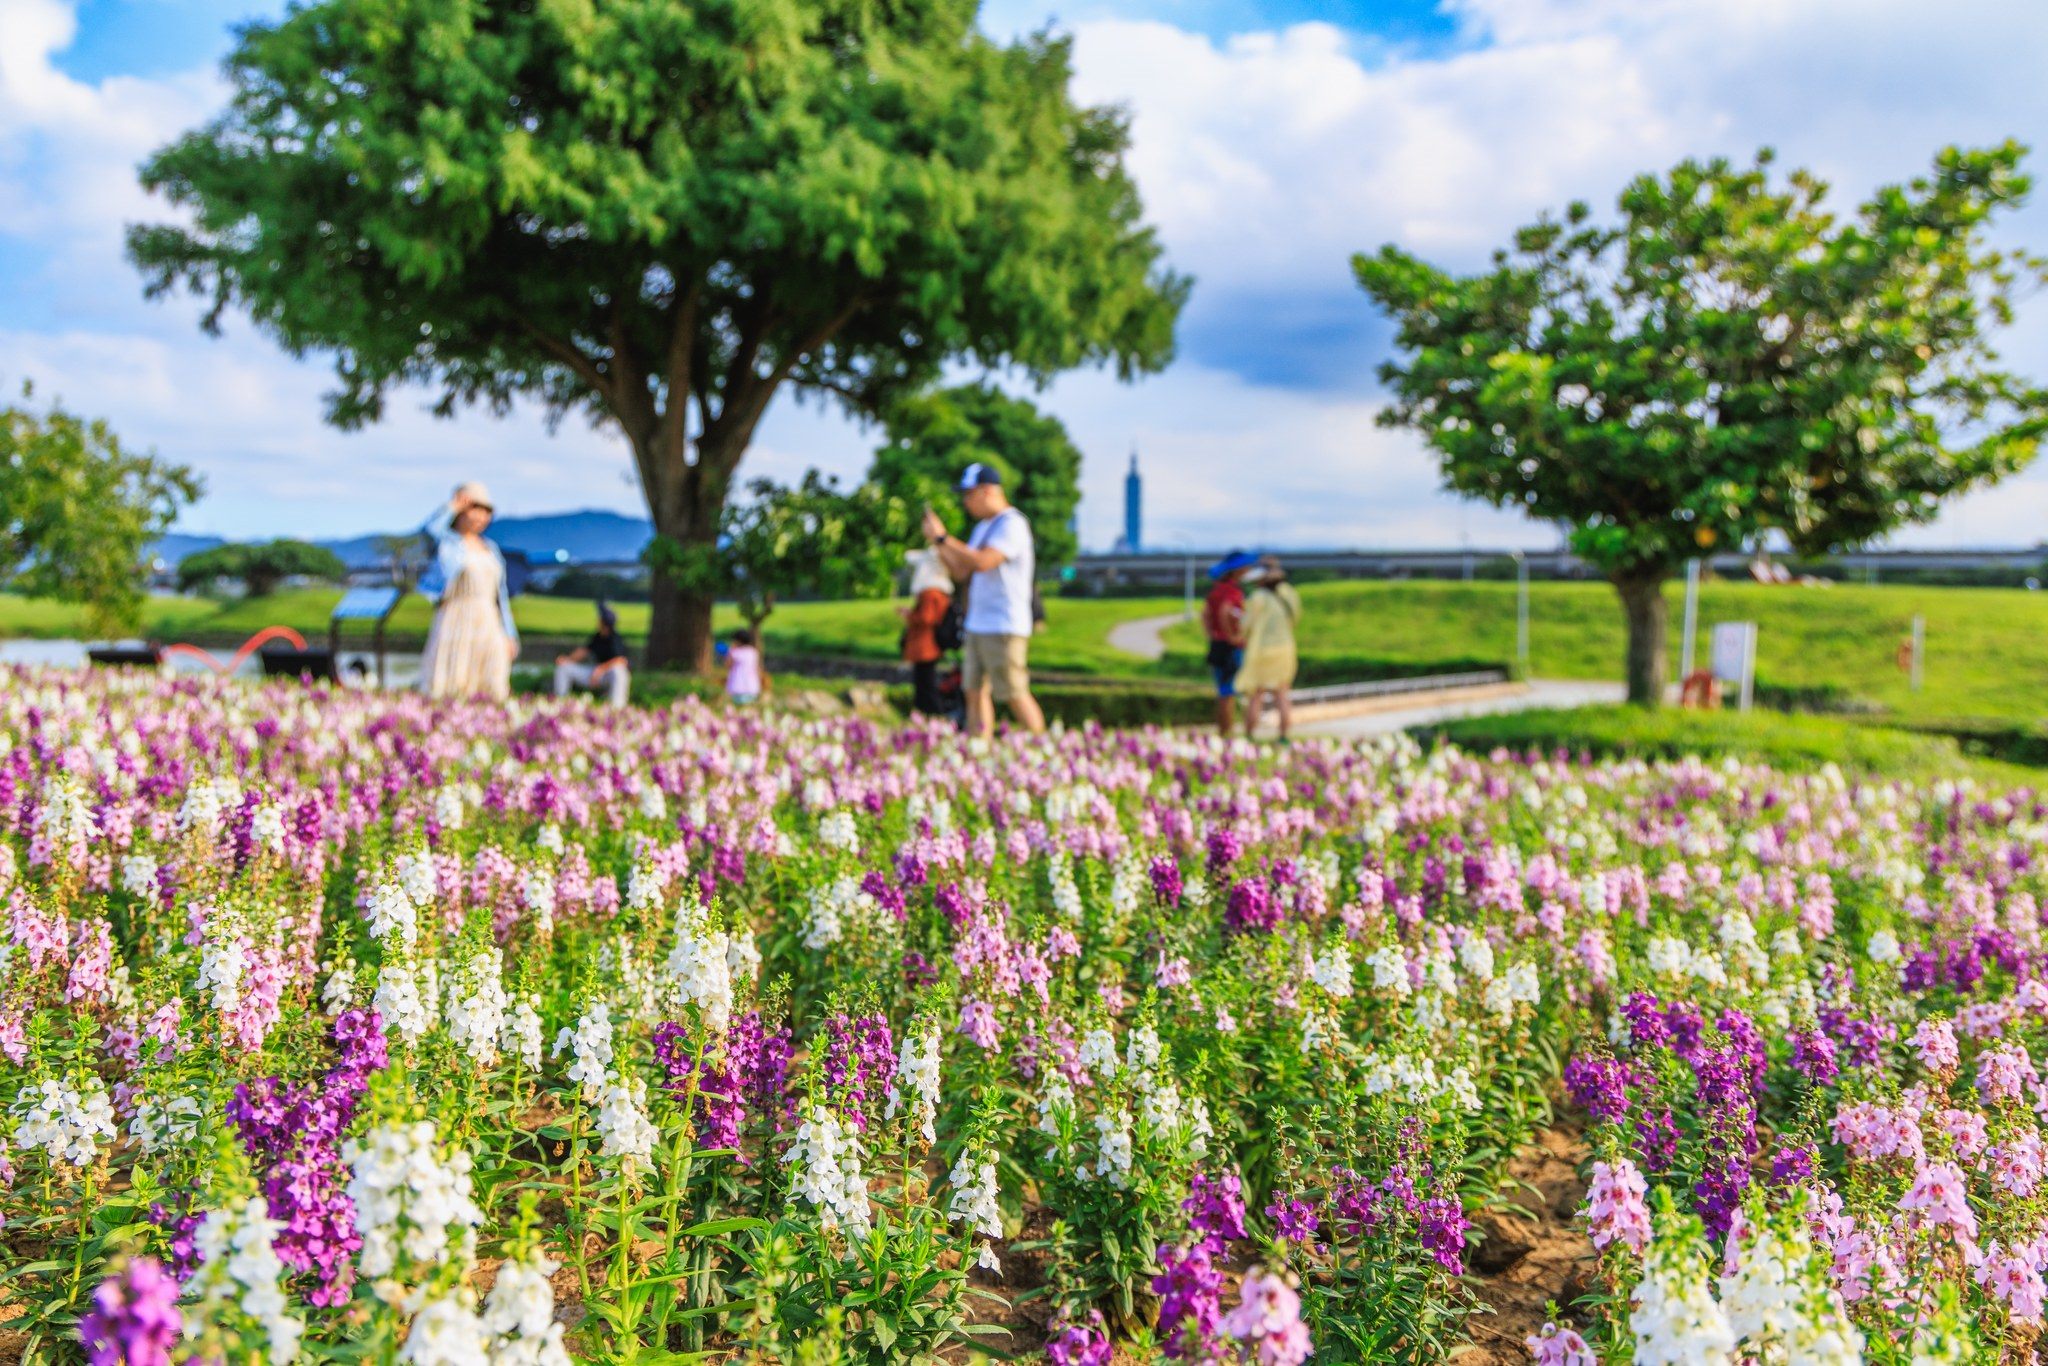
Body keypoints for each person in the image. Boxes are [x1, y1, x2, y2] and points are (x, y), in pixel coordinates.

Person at [922, 463, 1046, 738]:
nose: (966, 502)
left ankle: (1041, 748)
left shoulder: (1013, 524)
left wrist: (944, 537)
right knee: (974, 691)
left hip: (1003, 624)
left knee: (1013, 691)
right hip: (978, 623)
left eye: (969, 494)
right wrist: (938, 544)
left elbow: (983, 561)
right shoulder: (983, 528)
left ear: (988, 491)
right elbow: (961, 570)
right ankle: (980, 745)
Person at [418, 482, 519, 700]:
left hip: (488, 618)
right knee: (455, 678)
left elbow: (499, 595)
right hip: (457, 616)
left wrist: (509, 633)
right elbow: (429, 531)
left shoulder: (490, 548)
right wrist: (451, 507)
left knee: (494, 676)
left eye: (486, 511)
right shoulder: (448, 544)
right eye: (475, 508)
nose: (481, 516)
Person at [1236, 556, 1303, 741]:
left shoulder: (1257, 597)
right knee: (1282, 693)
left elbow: (1245, 625)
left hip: (1261, 650)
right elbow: (1295, 619)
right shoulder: (1289, 593)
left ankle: (1249, 735)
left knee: (1255, 694)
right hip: (1285, 648)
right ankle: (1283, 736)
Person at [1204, 550, 1255, 736]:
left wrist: (1212, 633)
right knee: (1229, 692)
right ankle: (1228, 731)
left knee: (1222, 691)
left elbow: (1206, 615)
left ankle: (1222, 729)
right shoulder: (1233, 591)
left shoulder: (1216, 590)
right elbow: (1225, 611)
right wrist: (1232, 636)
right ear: (1238, 570)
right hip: (1229, 647)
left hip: (1216, 644)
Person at [899, 549, 954, 717]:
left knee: (926, 683)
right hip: (927, 645)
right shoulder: (937, 592)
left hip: (926, 645)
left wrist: (909, 615)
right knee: (923, 680)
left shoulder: (930, 593)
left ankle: (932, 713)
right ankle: (924, 712)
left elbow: (927, 618)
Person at [553, 600, 631, 707]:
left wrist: (601, 669)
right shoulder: (598, 637)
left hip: (607, 674)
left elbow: (621, 661)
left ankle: (616, 707)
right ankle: (560, 702)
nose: (597, 620)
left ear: (604, 622)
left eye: (599, 618)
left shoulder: (615, 638)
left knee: (619, 672)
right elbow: (584, 651)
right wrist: (567, 659)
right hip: (594, 673)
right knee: (564, 667)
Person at [725, 628, 763, 705]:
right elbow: (757, 668)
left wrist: (730, 650)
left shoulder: (735, 652)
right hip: (752, 685)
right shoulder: (753, 652)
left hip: (737, 685)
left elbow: (728, 665)